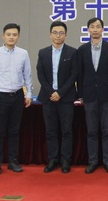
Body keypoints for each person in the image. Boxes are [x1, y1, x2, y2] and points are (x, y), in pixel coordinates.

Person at [0, 23, 33, 175]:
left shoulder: (23, 53)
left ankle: (13, 161)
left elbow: (28, 75)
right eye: (8, 34)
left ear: (18, 36)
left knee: (14, 130)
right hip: (0, 96)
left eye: (14, 35)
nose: (11, 37)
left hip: (17, 95)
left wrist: (29, 94)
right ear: (3, 36)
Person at [77, 17, 108, 174]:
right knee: (91, 131)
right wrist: (80, 94)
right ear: (88, 30)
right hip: (89, 95)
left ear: (103, 29)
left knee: (107, 130)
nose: (95, 29)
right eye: (92, 26)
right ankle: (93, 161)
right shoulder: (82, 50)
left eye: (98, 26)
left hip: (107, 95)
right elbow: (80, 74)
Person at [36, 21, 78, 173]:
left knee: (67, 131)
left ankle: (65, 160)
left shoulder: (72, 52)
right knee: (50, 131)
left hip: (65, 98)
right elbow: (41, 75)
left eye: (61, 33)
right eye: (55, 32)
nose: (58, 36)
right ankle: (52, 159)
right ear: (50, 35)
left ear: (65, 35)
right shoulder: (43, 53)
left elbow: (74, 75)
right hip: (48, 98)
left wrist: (60, 93)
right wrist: (51, 92)